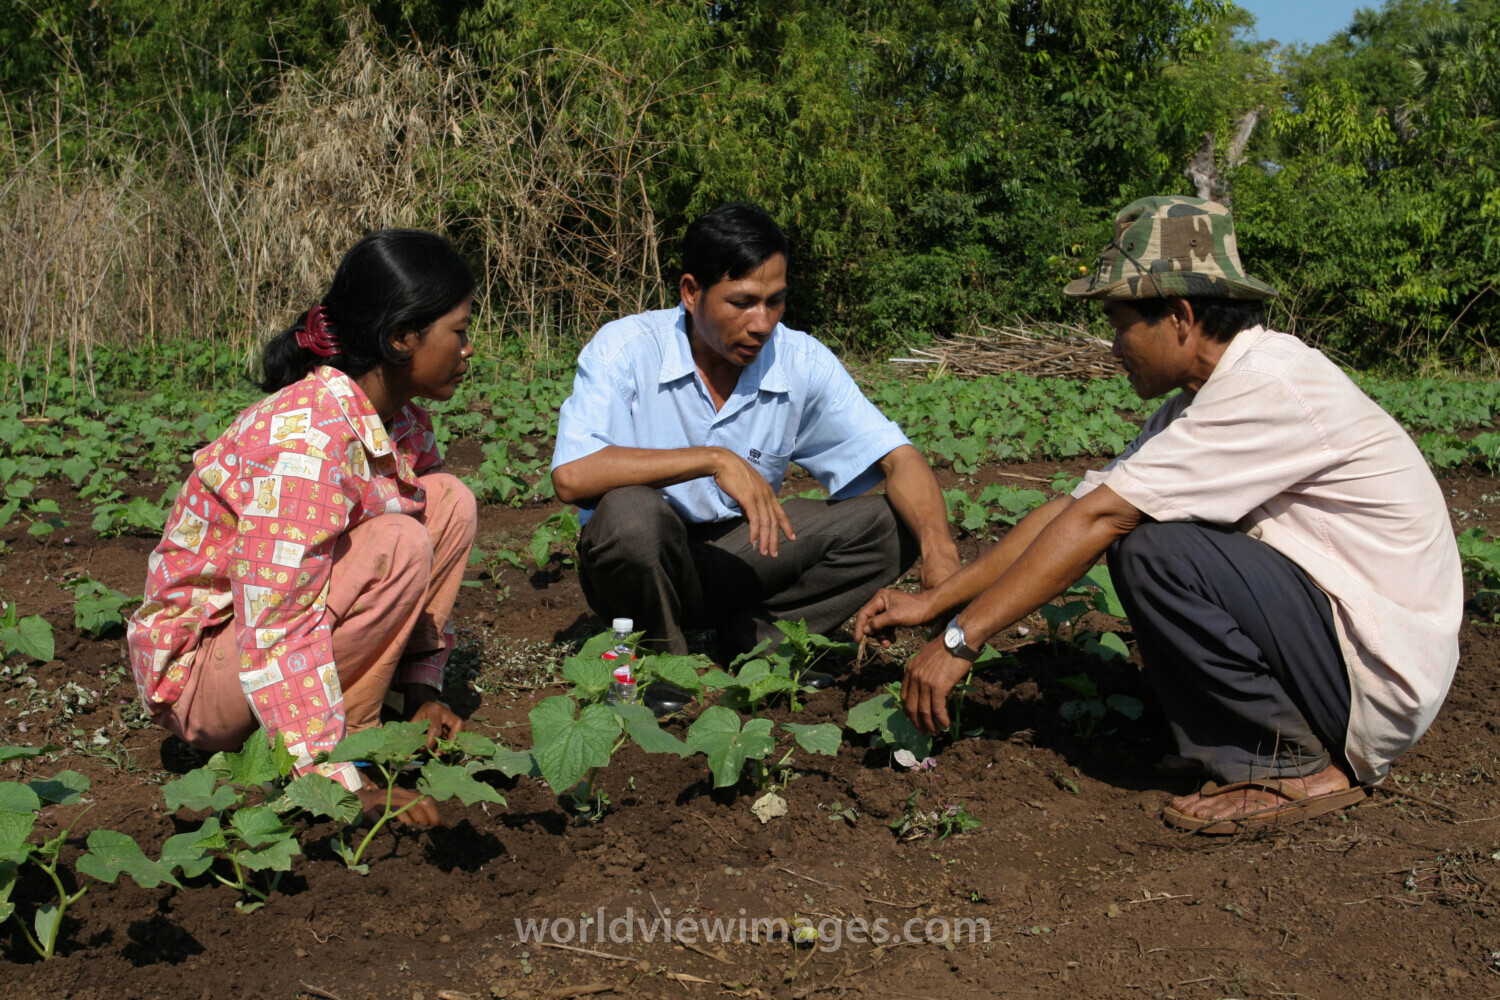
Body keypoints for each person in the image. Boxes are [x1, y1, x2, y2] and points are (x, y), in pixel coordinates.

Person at [856, 196, 1462, 835]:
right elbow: (1074, 509)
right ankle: (1246, 739)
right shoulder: (1202, 398)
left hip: (1375, 676)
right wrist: (934, 602)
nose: (1114, 347)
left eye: (1121, 325)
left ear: (1179, 317)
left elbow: (1101, 521)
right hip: (1337, 641)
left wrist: (961, 640)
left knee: (1154, 549)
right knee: (1143, 532)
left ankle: (1290, 766)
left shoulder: (1268, 386)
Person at [128, 229, 480, 827]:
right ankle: (343, 746)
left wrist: (423, 689)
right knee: (398, 540)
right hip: (205, 676)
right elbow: (277, 623)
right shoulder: (305, 443)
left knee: (447, 502)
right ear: (401, 337)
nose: (468, 350)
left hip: (263, 641)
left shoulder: (401, 421)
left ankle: (386, 706)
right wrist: (335, 782)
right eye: (460, 331)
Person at [551, 202, 959, 673]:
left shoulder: (800, 360)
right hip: (640, 562)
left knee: (894, 522)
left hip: (742, 555)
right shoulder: (626, 349)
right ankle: (662, 663)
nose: (763, 323)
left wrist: (940, 554)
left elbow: (897, 458)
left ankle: (756, 643)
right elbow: (572, 475)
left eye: (775, 301)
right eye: (742, 302)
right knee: (630, 515)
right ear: (691, 292)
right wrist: (713, 459)